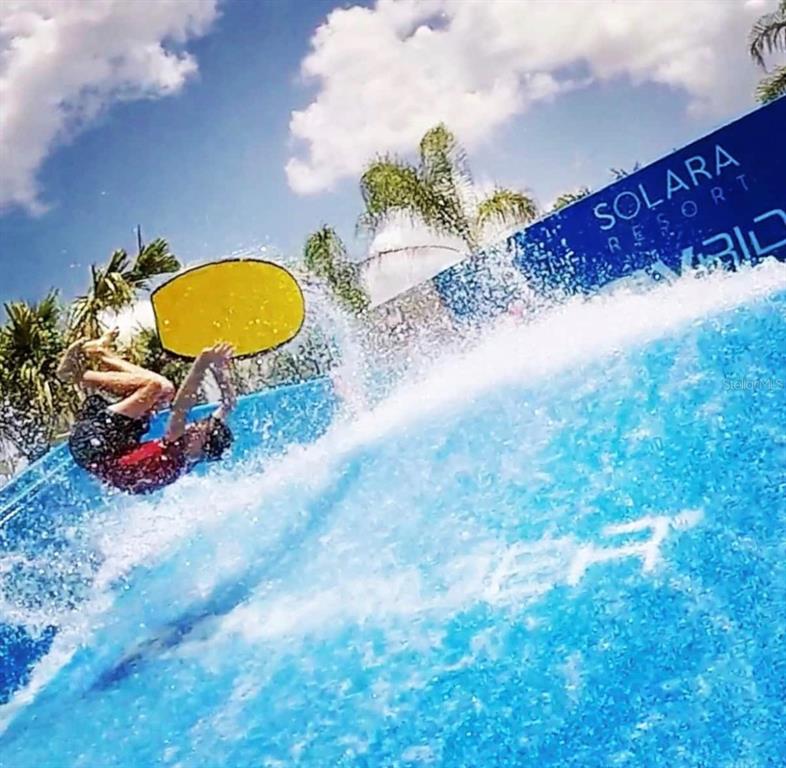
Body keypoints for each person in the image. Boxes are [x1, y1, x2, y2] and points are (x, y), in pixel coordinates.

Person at [57, 330, 236, 494]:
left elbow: (181, 406)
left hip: (92, 446)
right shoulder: (192, 454)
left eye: (198, 431)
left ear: (203, 447)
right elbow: (229, 404)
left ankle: (75, 375)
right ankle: (99, 352)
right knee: (165, 389)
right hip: (114, 446)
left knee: (153, 387)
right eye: (197, 424)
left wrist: (203, 362)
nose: (191, 427)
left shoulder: (177, 452)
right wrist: (219, 370)